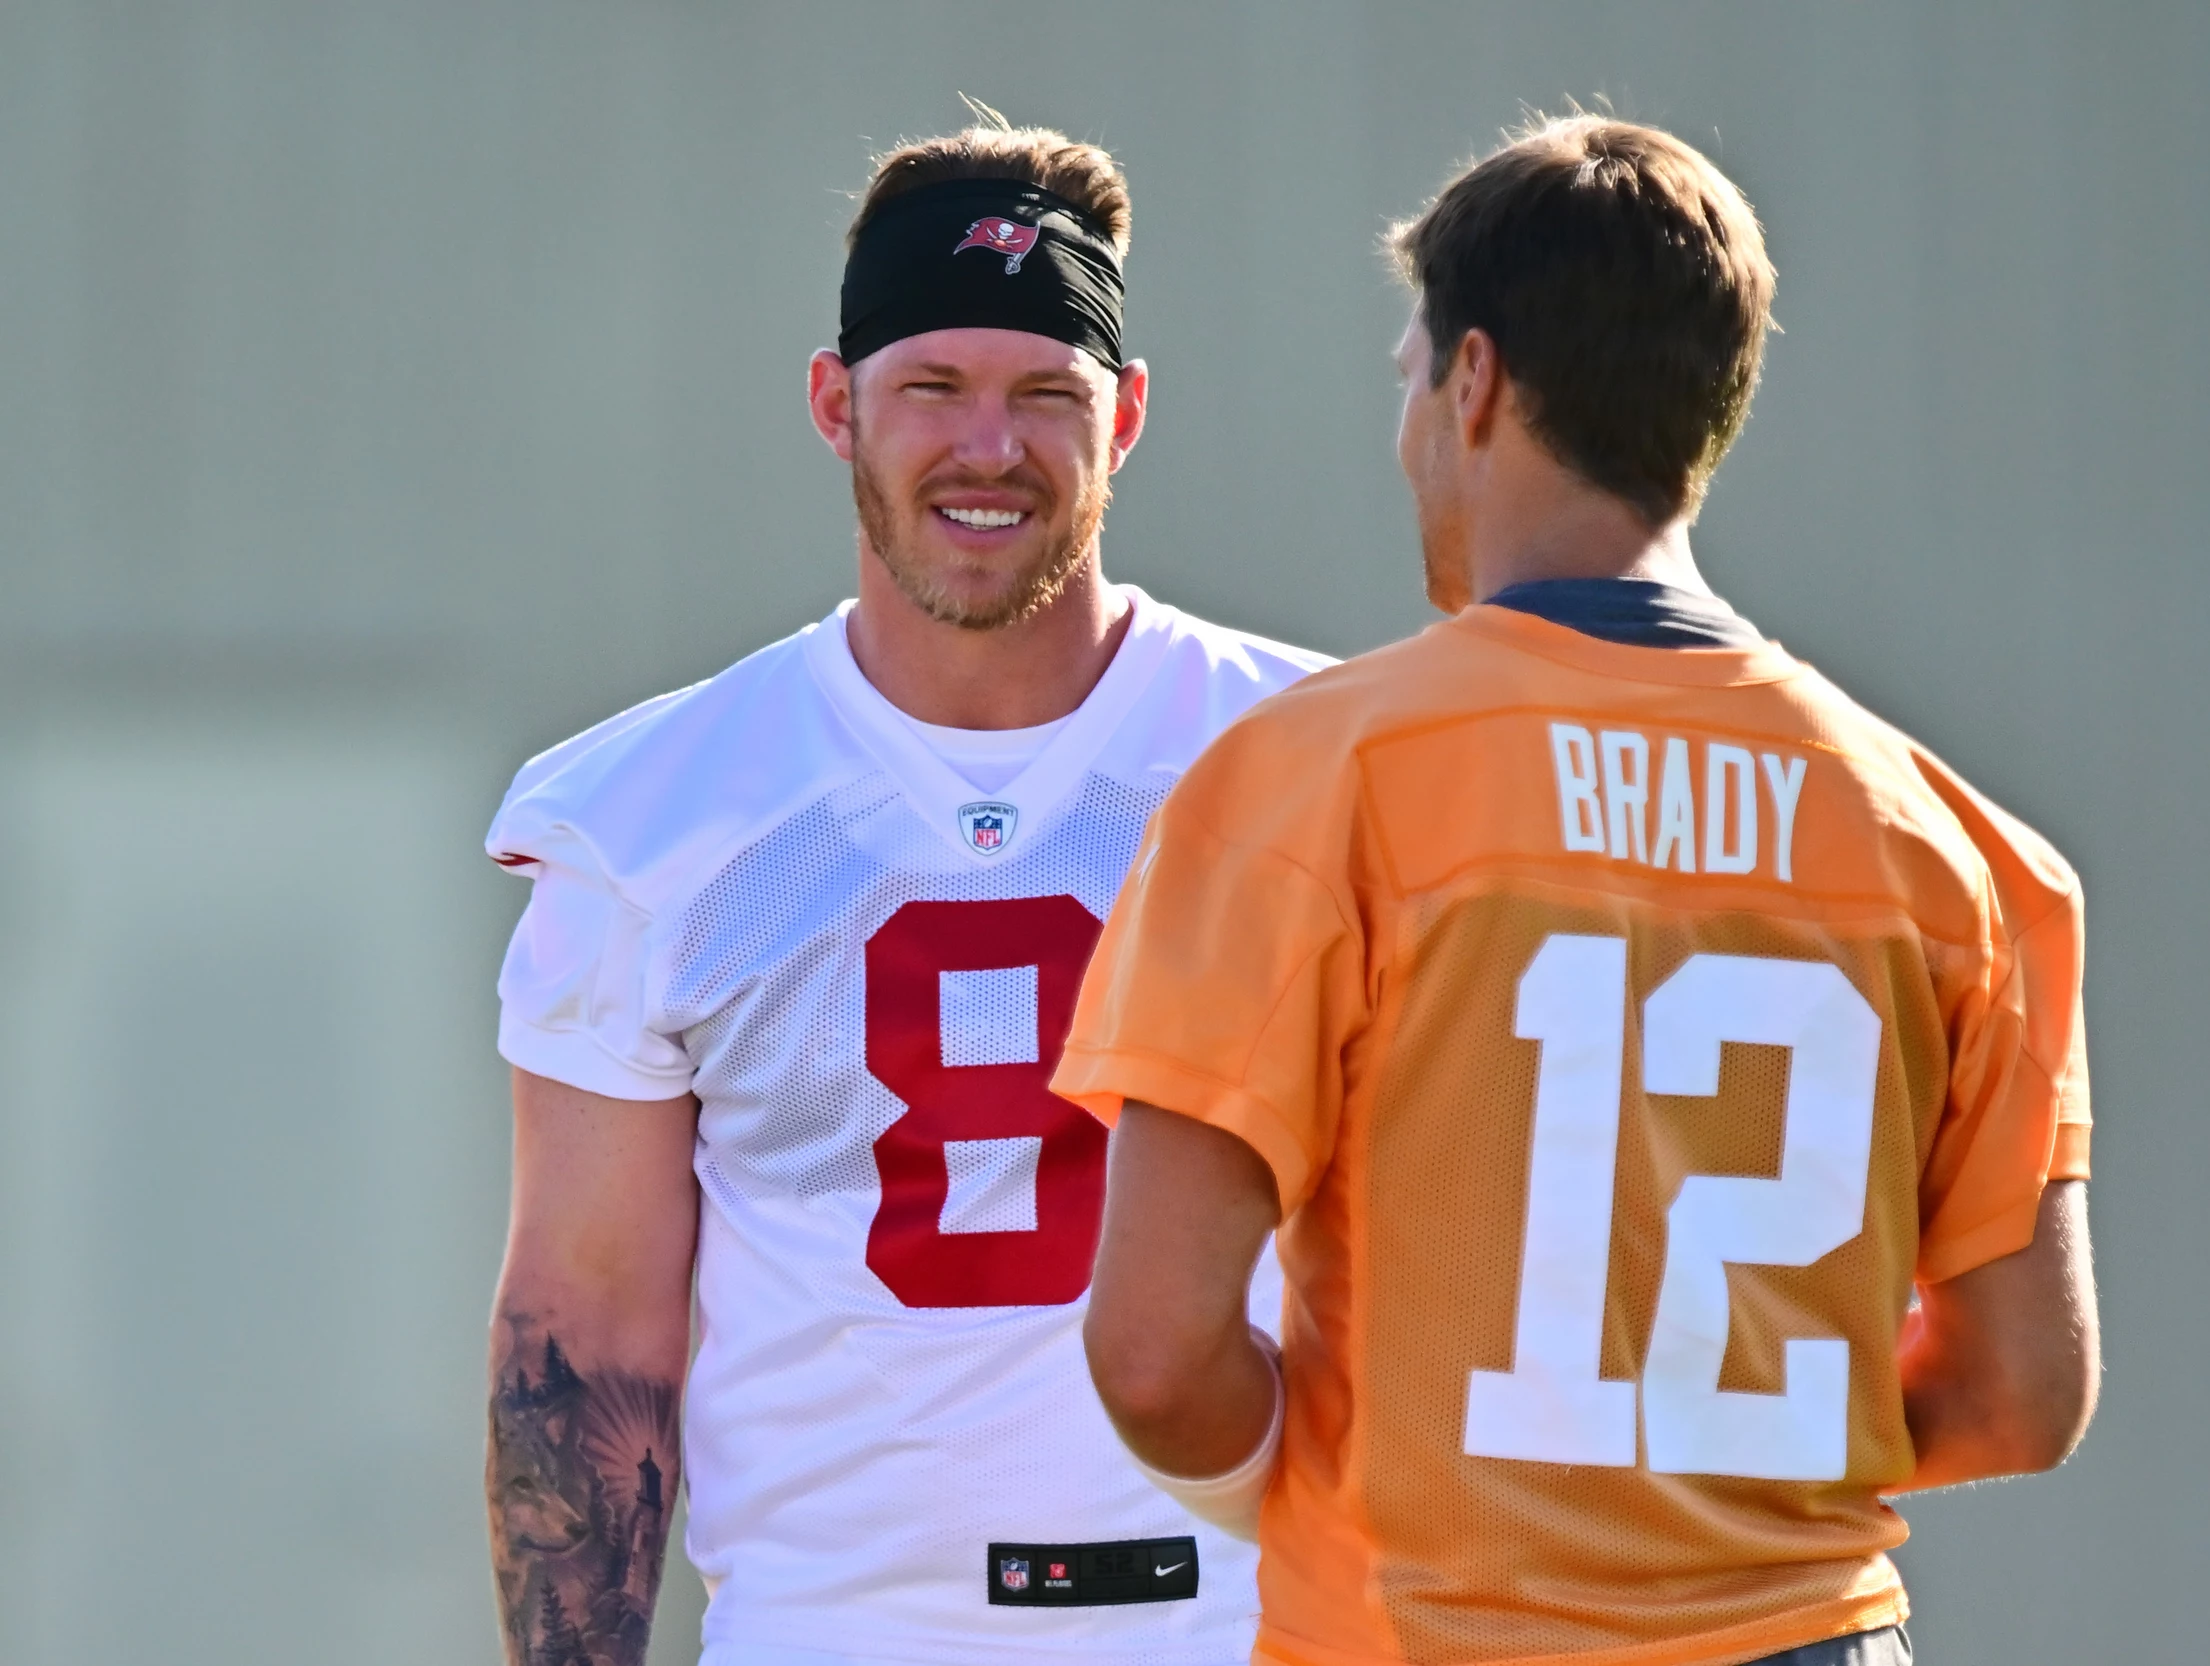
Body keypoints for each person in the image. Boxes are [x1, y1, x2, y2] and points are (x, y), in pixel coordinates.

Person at [1061, 115, 2100, 1666]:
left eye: (1412, 372)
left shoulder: (1313, 777)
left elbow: (1155, 1352)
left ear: (1473, 381)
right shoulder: (1953, 845)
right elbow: (2027, 1390)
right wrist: (1714, 1446)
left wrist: (1333, 1490)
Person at [482, 113, 1327, 1666]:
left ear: (1127, 415)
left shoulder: (1315, 767)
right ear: (835, 402)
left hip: (1246, 1622)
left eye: (1045, 395)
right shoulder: (665, 814)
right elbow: (585, 1333)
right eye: (932, 387)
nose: (987, 447)